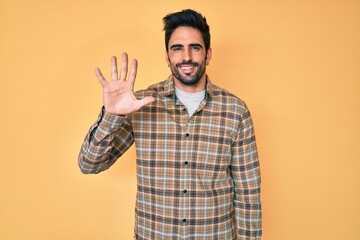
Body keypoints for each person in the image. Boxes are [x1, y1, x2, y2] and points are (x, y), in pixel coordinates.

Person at [78, 9, 262, 240]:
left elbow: (248, 195)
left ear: (208, 54)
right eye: (177, 48)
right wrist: (112, 115)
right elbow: (89, 164)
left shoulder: (236, 111)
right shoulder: (140, 105)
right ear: (167, 56)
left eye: (195, 47)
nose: (186, 56)